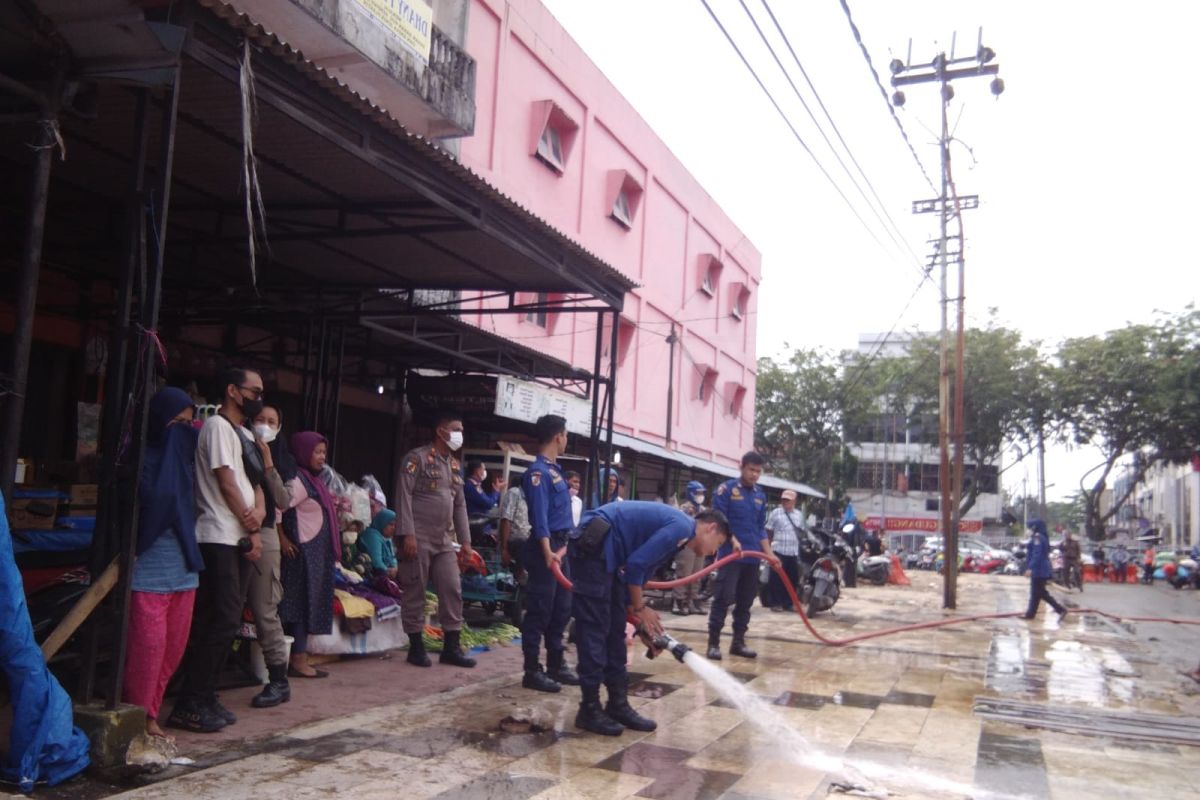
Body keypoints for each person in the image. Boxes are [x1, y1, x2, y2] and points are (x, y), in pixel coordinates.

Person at [569, 501, 732, 735]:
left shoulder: (681, 537)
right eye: (718, 544)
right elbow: (635, 565)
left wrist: (640, 624)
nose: (714, 552)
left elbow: (640, 573)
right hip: (594, 548)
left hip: (608, 555)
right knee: (596, 630)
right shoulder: (681, 527)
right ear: (710, 528)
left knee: (615, 630)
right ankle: (588, 709)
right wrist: (640, 607)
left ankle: (617, 704)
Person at [168, 367, 265, 733]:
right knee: (219, 618)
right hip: (217, 534)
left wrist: (256, 519)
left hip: (239, 534)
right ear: (232, 390)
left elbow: (255, 483)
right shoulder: (218, 427)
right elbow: (226, 482)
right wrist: (250, 521)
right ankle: (190, 700)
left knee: (227, 620)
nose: (258, 397)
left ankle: (205, 694)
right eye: (253, 391)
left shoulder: (245, 433)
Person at [123, 388, 203, 740]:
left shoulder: (187, 463)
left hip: (184, 568)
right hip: (149, 570)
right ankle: (141, 717)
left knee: (172, 649)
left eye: (189, 424)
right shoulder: (140, 459)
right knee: (147, 650)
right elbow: (159, 501)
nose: (184, 431)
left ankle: (151, 711)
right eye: (177, 423)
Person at [396, 413, 477, 668]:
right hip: (417, 536)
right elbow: (403, 495)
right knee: (415, 590)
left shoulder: (453, 465)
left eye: (461, 429)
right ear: (441, 431)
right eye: (456, 428)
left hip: (443, 539)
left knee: (452, 587)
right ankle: (416, 646)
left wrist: (466, 542)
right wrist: (407, 533)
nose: (460, 434)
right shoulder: (416, 458)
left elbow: (460, 505)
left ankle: (451, 647)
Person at [519, 415, 579, 692]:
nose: (567, 440)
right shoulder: (538, 473)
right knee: (540, 608)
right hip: (548, 546)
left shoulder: (556, 471)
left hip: (563, 546)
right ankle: (532, 670)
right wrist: (546, 550)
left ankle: (556, 665)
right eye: (566, 435)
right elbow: (539, 515)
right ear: (558, 437)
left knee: (562, 608)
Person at [246, 405, 297, 708]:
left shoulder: (284, 461)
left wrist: (267, 463)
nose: (264, 426)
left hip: (265, 535)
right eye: (260, 420)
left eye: (271, 422)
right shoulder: (237, 443)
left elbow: (284, 499)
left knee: (265, 609)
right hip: (231, 531)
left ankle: (278, 679)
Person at [278, 431, 341, 679]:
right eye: (317, 452)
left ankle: (298, 658)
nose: (321, 457)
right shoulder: (299, 481)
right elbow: (277, 507)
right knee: (301, 607)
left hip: (314, 554)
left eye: (324, 452)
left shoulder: (314, 481)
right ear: (304, 452)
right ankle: (297, 660)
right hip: (303, 555)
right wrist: (282, 538)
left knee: (306, 605)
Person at [707, 451, 779, 661]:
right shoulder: (726, 490)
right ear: (742, 467)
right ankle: (713, 644)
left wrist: (770, 554)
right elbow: (718, 519)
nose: (755, 475)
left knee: (746, 601)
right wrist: (731, 538)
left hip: (752, 558)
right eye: (751, 470)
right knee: (722, 599)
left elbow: (760, 528)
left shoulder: (760, 495)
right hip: (730, 556)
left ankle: (738, 642)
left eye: (758, 471)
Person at [763, 490, 804, 612]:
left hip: (793, 551)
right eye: (784, 499)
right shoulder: (776, 513)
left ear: (794, 501)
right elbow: (769, 530)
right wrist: (768, 549)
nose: (785, 502)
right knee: (776, 579)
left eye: (788, 500)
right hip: (778, 550)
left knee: (792, 578)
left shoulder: (799, 515)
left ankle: (788, 603)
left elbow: (801, 531)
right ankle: (775, 603)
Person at [671, 481, 707, 616]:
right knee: (684, 573)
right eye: (698, 493)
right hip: (687, 544)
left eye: (702, 493)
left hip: (701, 544)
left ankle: (692, 600)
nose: (700, 496)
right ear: (690, 493)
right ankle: (679, 601)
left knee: (697, 574)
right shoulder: (684, 508)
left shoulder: (704, 510)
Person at [1023, 519, 1067, 621]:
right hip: (1040, 569)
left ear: (1034, 527)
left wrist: (1030, 568)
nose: (1028, 530)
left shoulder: (1038, 537)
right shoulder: (1040, 537)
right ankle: (1030, 614)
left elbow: (1037, 554)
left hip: (1039, 569)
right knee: (1036, 593)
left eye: (1030, 527)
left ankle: (1060, 609)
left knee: (1040, 592)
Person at [498, 482, 530, 569]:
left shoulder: (533, 496)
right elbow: (506, 520)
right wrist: (504, 549)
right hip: (515, 542)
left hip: (527, 541)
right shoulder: (515, 492)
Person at [359, 508, 398, 578]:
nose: (393, 528)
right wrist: (389, 571)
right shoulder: (372, 535)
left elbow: (393, 558)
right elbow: (377, 563)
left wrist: (395, 569)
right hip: (373, 576)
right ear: (382, 522)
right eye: (391, 524)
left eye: (395, 525)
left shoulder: (386, 538)